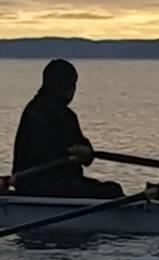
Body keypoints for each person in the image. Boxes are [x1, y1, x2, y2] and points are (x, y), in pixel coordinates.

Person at [10, 59, 125, 198]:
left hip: (28, 184)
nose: (74, 90)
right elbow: (85, 156)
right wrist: (84, 152)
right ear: (64, 86)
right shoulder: (62, 115)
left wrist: (84, 153)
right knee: (113, 191)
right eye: (72, 85)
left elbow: (83, 154)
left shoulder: (32, 109)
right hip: (50, 186)